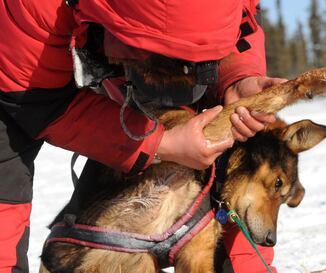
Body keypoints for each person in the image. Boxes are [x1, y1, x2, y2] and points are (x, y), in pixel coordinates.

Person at [0, 0, 285, 272]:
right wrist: (160, 144)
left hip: (127, 41)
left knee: (230, 129)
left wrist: (236, 76)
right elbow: (32, 101)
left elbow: (244, 17)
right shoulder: (35, 9)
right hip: (24, 66)